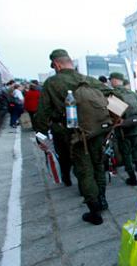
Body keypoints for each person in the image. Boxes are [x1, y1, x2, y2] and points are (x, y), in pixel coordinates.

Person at [34, 49, 113, 225]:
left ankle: (94, 211)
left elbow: (42, 113)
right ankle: (102, 200)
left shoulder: (52, 83)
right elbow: (114, 97)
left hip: (77, 135)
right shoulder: (87, 79)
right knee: (98, 165)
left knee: (85, 171)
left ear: (56, 64)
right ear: (70, 62)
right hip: (98, 130)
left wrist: (40, 136)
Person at [109, 72, 137, 185]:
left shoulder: (114, 95)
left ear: (114, 80)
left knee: (127, 154)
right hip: (136, 128)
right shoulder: (133, 93)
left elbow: (114, 116)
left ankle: (132, 178)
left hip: (123, 131)